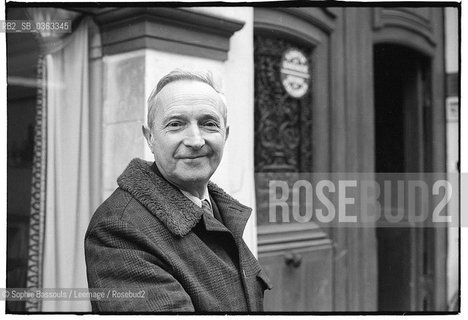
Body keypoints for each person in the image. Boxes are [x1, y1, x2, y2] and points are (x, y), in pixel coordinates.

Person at [84, 69, 272, 312]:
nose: (195, 140)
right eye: (176, 124)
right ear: (150, 137)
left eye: (209, 124)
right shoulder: (118, 229)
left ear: (225, 135)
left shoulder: (219, 210)